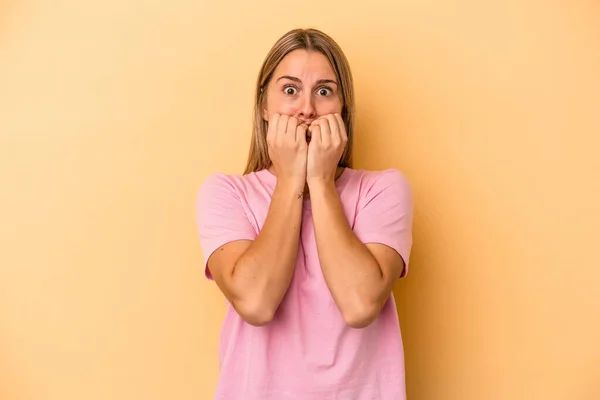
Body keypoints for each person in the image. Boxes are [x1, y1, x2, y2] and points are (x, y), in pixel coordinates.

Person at [195, 28, 414, 400]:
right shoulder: (225, 193)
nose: (307, 108)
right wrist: (292, 178)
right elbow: (256, 303)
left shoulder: (384, 189)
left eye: (324, 91)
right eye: (291, 90)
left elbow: (361, 305)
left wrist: (321, 180)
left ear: (343, 108)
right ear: (264, 107)